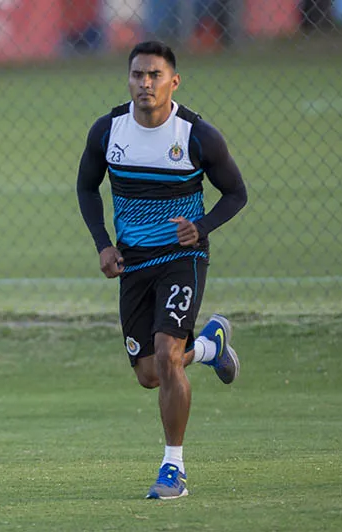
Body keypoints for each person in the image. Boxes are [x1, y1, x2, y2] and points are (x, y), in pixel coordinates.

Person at [76, 41, 247, 500]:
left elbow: (236, 192)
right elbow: (87, 187)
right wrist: (103, 244)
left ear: (174, 81)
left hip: (181, 259)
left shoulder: (196, 135)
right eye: (137, 75)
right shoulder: (108, 130)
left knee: (169, 356)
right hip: (133, 262)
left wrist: (201, 227)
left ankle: (174, 469)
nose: (145, 83)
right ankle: (208, 347)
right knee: (150, 373)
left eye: (155, 75)